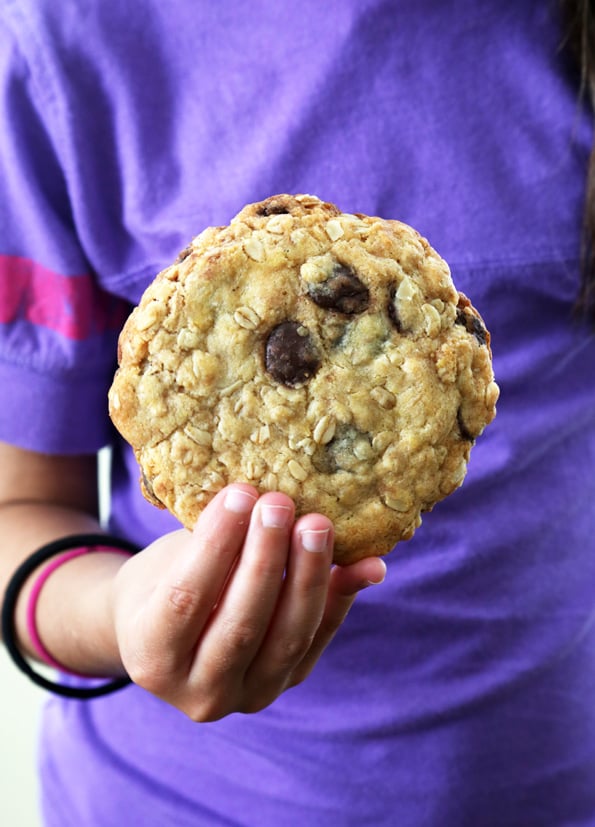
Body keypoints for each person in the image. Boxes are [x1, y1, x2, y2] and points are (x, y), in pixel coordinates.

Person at [1, 1, 595, 825]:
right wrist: (123, 610)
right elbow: (18, 511)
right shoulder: (74, 40)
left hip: (546, 787)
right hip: (173, 799)